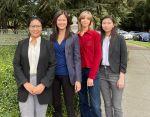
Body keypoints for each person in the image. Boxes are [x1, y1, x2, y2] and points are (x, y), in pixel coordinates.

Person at [13, 17, 55, 117]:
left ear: (42, 28)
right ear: (29, 28)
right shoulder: (21, 44)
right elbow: (16, 64)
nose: (35, 29)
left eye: (38, 26)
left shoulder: (48, 45)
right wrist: (25, 83)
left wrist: (43, 84)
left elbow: (53, 65)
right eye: (33, 26)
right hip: (25, 85)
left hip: (42, 84)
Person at [50, 10, 81, 117]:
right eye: (59, 20)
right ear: (55, 21)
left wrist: (78, 79)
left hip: (68, 75)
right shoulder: (52, 36)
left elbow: (77, 59)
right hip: (53, 75)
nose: (61, 22)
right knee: (56, 104)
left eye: (64, 20)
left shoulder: (73, 37)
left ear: (67, 22)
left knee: (69, 104)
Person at [98, 15, 127, 117]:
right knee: (107, 104)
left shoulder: (120, 38)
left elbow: (124, 59)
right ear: (101, 25)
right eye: (104, 23)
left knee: (116, 105)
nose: (106, 25)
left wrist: (122, 77)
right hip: (101, 73)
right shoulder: (99, 38)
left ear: (113, 24)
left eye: (108, 23)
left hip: (115, 74)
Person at [78, 10, 102, 117]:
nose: (85, 20)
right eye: (83, 18)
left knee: (95, 104)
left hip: (92, 71)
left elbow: (98, 56)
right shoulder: (75, 36)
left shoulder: (95, 35)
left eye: (88, 18)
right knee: (83, 101)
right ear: (80, 20)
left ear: (91, 21)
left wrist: (91, 76)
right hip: (79, 72)